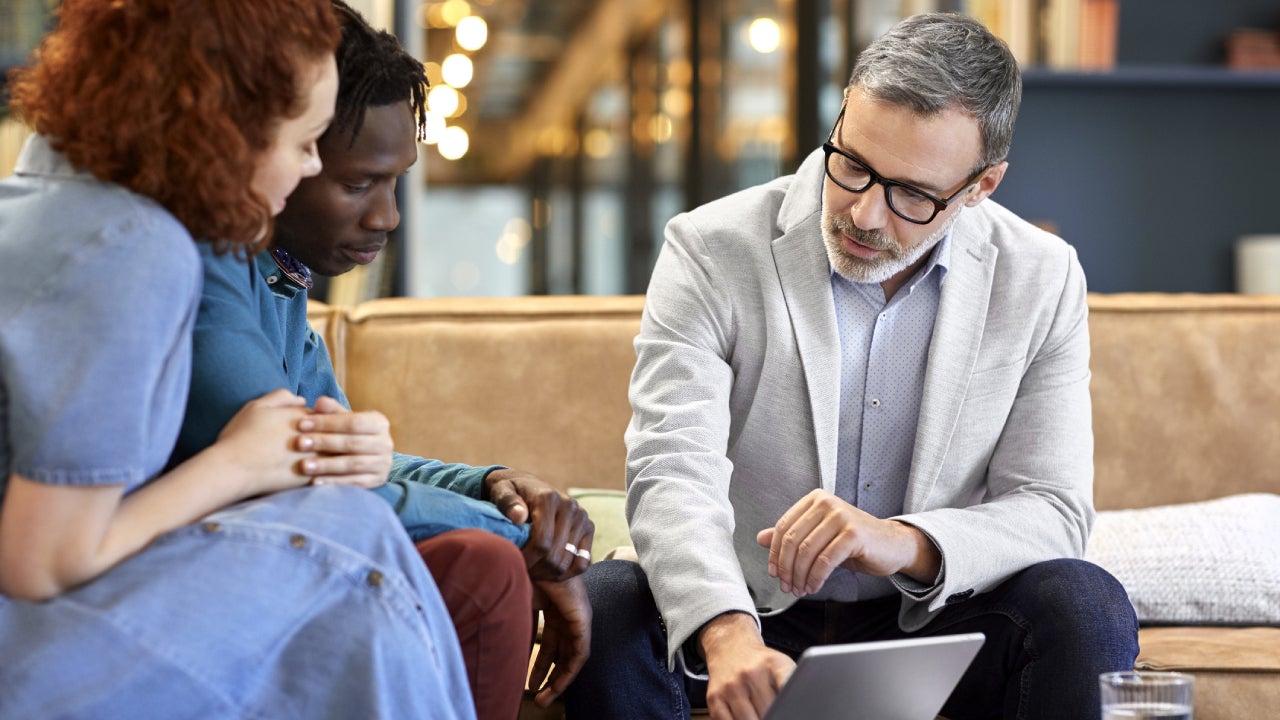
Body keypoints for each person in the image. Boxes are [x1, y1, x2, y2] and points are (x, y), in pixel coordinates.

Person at [565, 12, 1139, 720]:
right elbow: (671, 472)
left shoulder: (1042, 278)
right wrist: (727, 634)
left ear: (981, 187)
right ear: (839, 121)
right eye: (854, 166)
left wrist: (901, 542)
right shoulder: (709, 250)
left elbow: (1051, 509)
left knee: (1084, 602)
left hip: (932, 625)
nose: (865, 214)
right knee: (607, 604)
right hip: (749, 616)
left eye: (912, 195)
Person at [0, 1, 476, 718]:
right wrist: (241, 461)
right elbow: (41, 559)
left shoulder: (39, 202)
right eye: (306, 141)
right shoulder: (134, 245)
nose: (313, 164)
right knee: (355, 538)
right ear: (225, 130)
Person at [169, 3, 591, 717]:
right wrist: (528, 537)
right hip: (180, 584)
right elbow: (305, 484)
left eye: (396, 181)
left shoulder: (277, 269)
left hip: (257, 557)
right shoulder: (202, 270)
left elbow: (349, 465)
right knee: (482, 569)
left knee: (481, 562)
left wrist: (488, 486)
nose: (388, 216)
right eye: (359, 182)